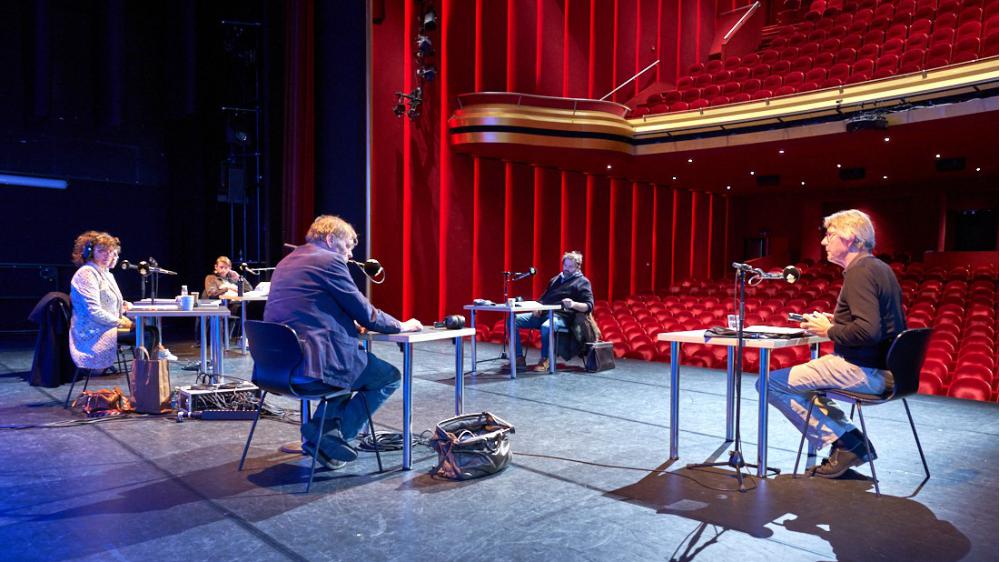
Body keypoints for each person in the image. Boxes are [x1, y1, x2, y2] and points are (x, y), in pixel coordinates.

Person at [264, 215, 422, 469]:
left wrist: (348, 325)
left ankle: (323, 437)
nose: (349, 255)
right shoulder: (329, 261)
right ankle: (331, 437)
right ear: (330, 239)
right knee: (388, 377)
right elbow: (366, 313)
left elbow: (312, 309)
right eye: (347, 246)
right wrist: (401, 326)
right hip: (315, 363)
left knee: (350, 370)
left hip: (277, 366)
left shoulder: (286, 262)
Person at [757, 209, 906, 478]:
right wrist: (834, 321)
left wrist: (829, 329)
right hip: (886, 370)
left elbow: (868, 331)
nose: (824, 242)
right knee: (803, 387)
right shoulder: (878, 268)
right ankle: (852, 441)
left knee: (769, 383)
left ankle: (847, 443)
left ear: (851, 238)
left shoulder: (860, 272)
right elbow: (875, 324)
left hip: (864, 370)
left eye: (829, 235)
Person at [68, 231, 170, 371]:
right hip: (94, 332)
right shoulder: (87, 273)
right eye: (102, 251)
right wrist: (123, 322)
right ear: (90, 252)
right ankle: (143, 376)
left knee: (152, 331)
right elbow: (94, 312)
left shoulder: (105, 273)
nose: (107, 255)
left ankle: (147, 375)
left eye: (110, 252)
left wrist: (128, 308)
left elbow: (112, 304)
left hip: (107, 326)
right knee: (148, 334)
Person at [512, 251, 595, 372]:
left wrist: (573, 304)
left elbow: (589, 306)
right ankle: (519, 357)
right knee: (513, 320)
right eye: (565, 266)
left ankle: (545, 359)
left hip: (562, 317)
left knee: (547, 326)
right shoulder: (555, 280)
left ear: (578, 267)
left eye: (570, 267)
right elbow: (543, 298)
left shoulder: (583, 282)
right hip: (545, 313)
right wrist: (538, 307)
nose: (566, 269)